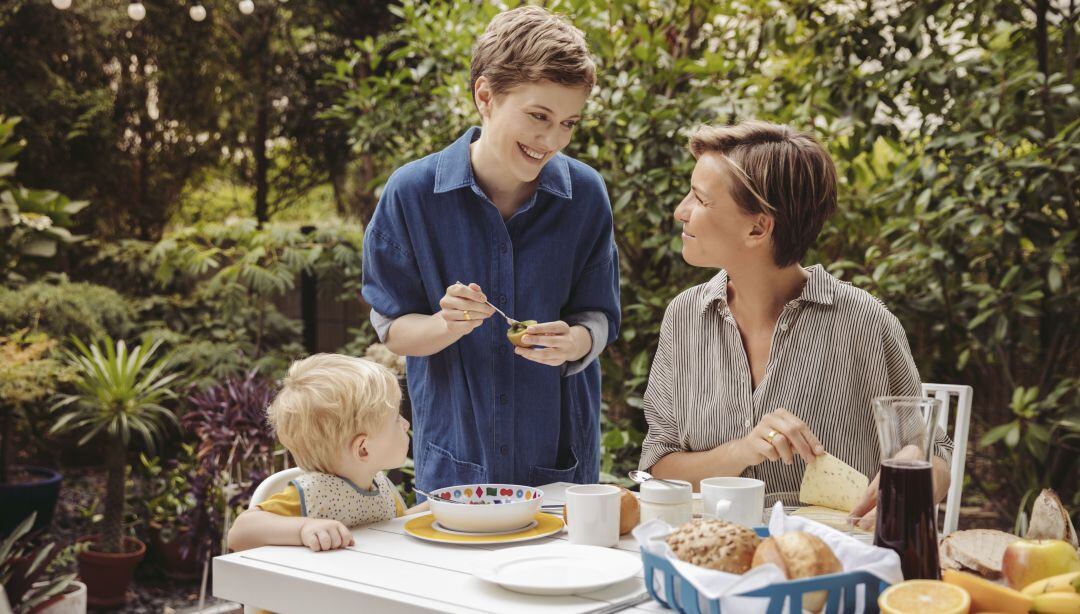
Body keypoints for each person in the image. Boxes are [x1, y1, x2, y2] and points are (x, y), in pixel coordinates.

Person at [638, 120, 952, 528]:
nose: (681, 211)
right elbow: (658, 469)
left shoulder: (866, 323)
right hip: (706, 553)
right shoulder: (684, 317)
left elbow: (935, 456)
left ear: (758, 227)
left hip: (830, 562)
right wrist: (745, 450)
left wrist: (913, 471)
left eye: (699, 199)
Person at [361, 6, 620, 493]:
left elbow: (600, 317)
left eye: (568, 122)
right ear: (486, 96)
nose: (551, 140)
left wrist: (577, 342)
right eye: (539, 116)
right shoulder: (411, 194)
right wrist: (445, 325)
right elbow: (394, 330)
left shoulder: (586, 195)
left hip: (560, 469)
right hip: (455, 466)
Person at [227, 354, 423, 552]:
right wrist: (304, 528)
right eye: (396, 419)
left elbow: (393, 524)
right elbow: (239, 533)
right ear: (363, 449)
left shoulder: (378, 484)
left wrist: (435, 510)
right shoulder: (312, 493)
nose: (406, 424)